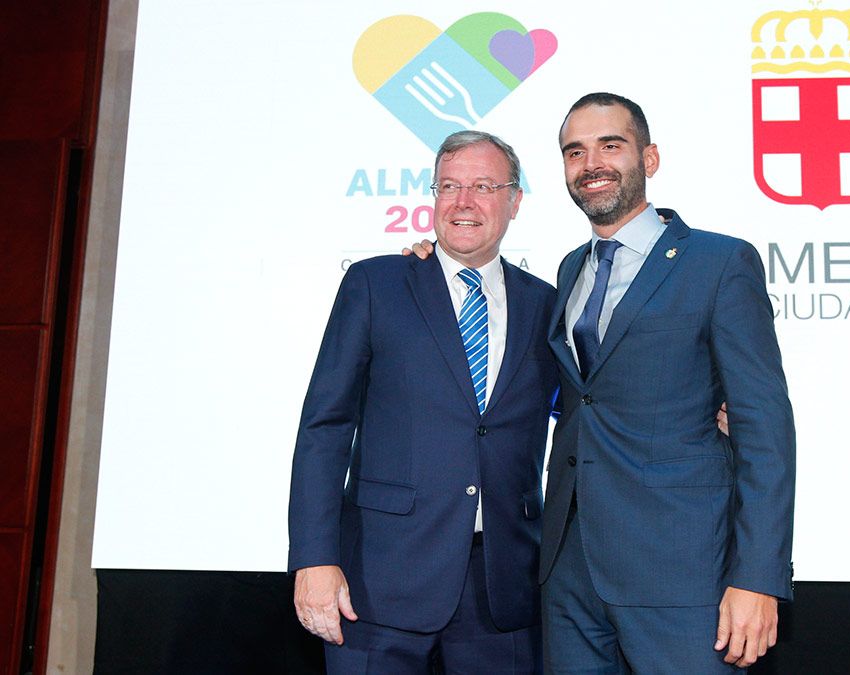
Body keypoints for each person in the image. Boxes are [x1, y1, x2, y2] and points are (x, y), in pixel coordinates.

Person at [538, 93, 796, 673]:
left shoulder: (720, 262)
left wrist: (758, 577)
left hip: (683, 573)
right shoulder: (569, 268)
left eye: (611, 145)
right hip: (570, 572)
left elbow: (764, 427)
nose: (591, 163)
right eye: (574, 151)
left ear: (649, 159)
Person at [288, 130, 557, 673]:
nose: (463, 202)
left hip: (501, 589)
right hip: (376, 584)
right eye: (449, 186)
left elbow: (587, 407)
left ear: (514, 201)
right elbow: (326, 426)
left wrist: (705, 408)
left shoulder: (545, 304)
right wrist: (314, 558)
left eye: (483, 186)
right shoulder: (376, 283)